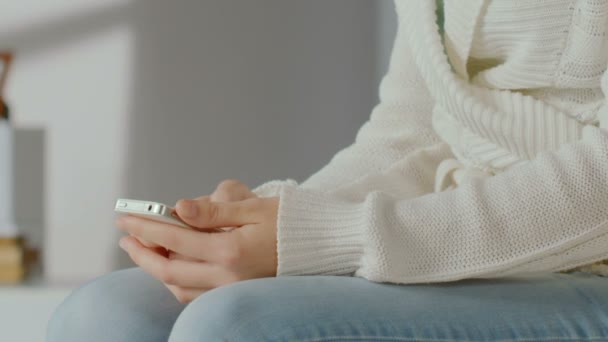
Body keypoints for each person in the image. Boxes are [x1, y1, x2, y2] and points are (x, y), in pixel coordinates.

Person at [48, 0, 608, 341]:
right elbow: (412, 131)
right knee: (104, 317)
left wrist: (325, 242)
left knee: (237, 329)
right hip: (481, 249)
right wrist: (268, 221)